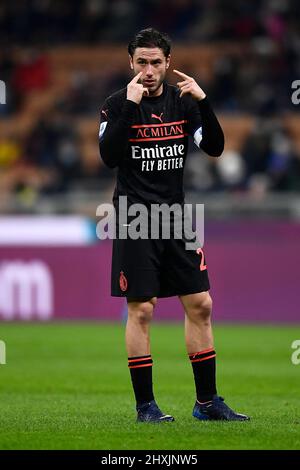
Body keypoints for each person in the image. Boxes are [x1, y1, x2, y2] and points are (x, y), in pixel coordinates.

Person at [99, 28, 249, 423]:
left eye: (156, 62)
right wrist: (130, 108)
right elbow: (109, 156)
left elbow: (214, 147)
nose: (149, 70)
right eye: (142, 62)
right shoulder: (116, 104)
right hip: (134, 217)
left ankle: (207, 404)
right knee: (142, 310)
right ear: (130, 63)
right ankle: (146, 407)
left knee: (201, 304)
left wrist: (205, 100)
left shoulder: (183, 102)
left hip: (177, 217)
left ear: (168, 63)